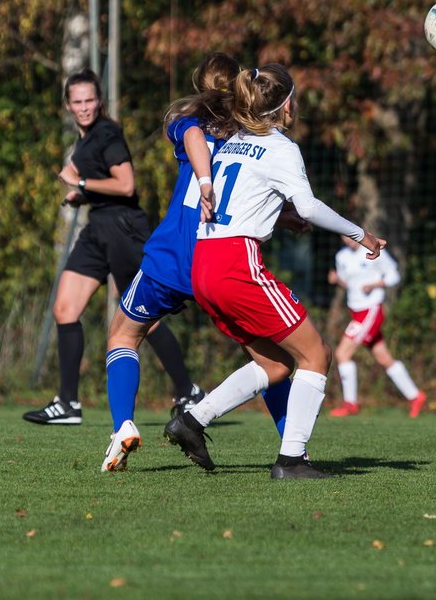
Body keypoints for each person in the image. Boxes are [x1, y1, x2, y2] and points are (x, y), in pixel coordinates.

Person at [163, 63, 386, 480]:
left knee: (277, 364)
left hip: (204, 263)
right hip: (236, 263)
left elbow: (245, 199)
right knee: (316, 353)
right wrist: (362, 235)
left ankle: (192, 421)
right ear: (286, 106)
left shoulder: (232, 142)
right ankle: (292, 461)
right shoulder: (281, 147)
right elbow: (309, 206)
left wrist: (277, 215)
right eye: (295, 99)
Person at [102, 53, 293, 471]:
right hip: (220, 261)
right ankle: (294, 448)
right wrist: (292, 217)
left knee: (123, 335)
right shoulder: (247, 136)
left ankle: (124, 427)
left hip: (173, 258)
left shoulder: (184, 119)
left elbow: (192, 139)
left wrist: (203, 180)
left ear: (197, 82)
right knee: (267, 359)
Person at [23, 68, 200, 427]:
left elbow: (126, 185)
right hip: (97, 228)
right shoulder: (85, 139)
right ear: (68, 106)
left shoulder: (108, 133)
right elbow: (102, 185)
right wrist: (81, 194)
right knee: (64, 308)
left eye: (90, 100)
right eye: (78, 101)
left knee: (142, 319)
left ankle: (188, 391)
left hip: (123, 229)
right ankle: (68, 403)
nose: (85, 107)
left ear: (99, 101)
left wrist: (81, 180)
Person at [325, 235, 426, 418]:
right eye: (344, 237)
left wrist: (375, 284)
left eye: (351, 236)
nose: (348, 241)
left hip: (370, 311)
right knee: (383, 357)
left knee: (342, 354)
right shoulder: (342, 257)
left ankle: (350, 404)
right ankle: (416, 396)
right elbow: (349, 284)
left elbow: (394, 275)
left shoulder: (373, 251)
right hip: (355, 311)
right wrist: (337, 280)